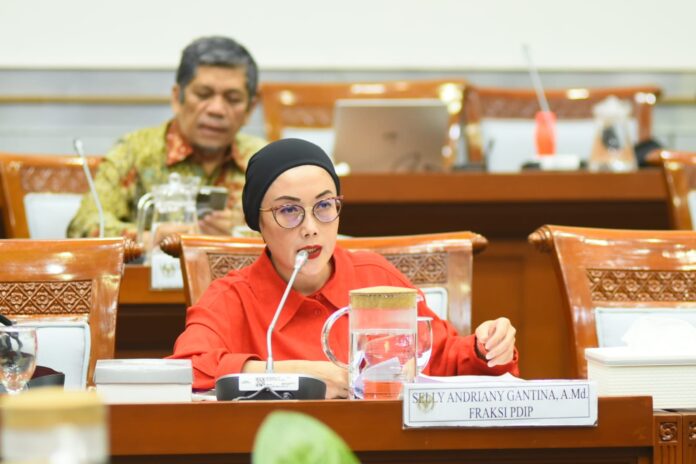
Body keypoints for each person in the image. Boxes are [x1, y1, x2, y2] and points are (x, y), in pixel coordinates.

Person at [170, 139, 519, 398]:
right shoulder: (232, 297)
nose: (310, 228)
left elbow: (446, 359)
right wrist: (300, 376)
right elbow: (186, 370)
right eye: (289, 211)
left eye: (324, 205)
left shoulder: (375, 278)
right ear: (258, 223)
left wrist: (487, 347)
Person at [67, 36, 266, 239]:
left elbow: (287, 233)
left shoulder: (264, 160)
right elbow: (82, 226)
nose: (216, 110)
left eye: (233, 99)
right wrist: (149, 238)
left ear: (250, 108)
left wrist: (243, 232)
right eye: (203, 95)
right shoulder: (135, 150)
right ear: (177, 98)